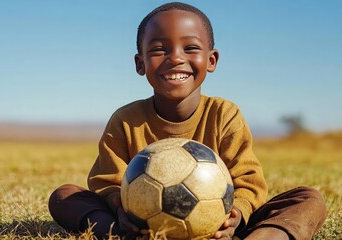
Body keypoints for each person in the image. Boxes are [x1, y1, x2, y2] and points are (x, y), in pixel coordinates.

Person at [48, 2, 326, 239]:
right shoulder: (126, 120)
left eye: (190, 47)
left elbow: (249, 183)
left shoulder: (224, 114)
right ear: (140, 63)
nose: (175, 58)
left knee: (308, 199)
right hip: (141, 225)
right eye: (159, 50)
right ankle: (120, 234)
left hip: (219, 226)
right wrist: (119, 207)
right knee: (64, 196)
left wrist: (237, 215)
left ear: (211, 60)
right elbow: (107, 181)